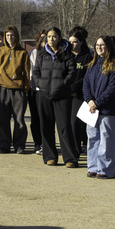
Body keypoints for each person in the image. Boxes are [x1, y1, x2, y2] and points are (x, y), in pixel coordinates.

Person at [31, 27, 77, 167]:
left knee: (64, 127)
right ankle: (50, 156)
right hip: (44, 95)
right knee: (46, 127)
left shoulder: (67, 54)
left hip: (62, 95)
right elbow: (36, 72)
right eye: (49, 36)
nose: (51, 39)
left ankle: (69, 158)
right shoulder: (42, 54)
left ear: (59, 37)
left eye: (54, 36)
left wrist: (62, 85)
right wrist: (41, 84)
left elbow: (72, 73)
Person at [83, 36, 115, 178]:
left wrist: (97, 103)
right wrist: (89, 101)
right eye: (97, 45)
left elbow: (113, 89)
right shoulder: (92, 64)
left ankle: (105, 169)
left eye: (102, 45)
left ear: (109, 46)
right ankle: (93, 167)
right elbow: (86, 85)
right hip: (92, 109)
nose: (99, 47)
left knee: (107, 141)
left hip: (108, 109)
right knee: (92, 139)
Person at [0, 25, 30, 153]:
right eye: (7, 35)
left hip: (18, 90)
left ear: (16, 36)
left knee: (19, 120)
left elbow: (27, 73)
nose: (10, 38)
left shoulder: (23, 53)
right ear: (4, 37)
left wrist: (25, 89)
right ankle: (4, 145)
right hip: (2, 90)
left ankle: (19, 145)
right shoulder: (0, 52)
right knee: (2, 119)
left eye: (12, 35)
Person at [68, 27, 94, 155]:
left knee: (77, 123)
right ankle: (72, 149)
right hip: (67, 95)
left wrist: (74, 89)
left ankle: (79, 149)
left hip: (80, 95)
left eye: (75, 41)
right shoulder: (66, 57)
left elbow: (86, 77)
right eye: (71, 42)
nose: (72, 44)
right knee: (69, 124)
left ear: (81, 42)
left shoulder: (87, 57)